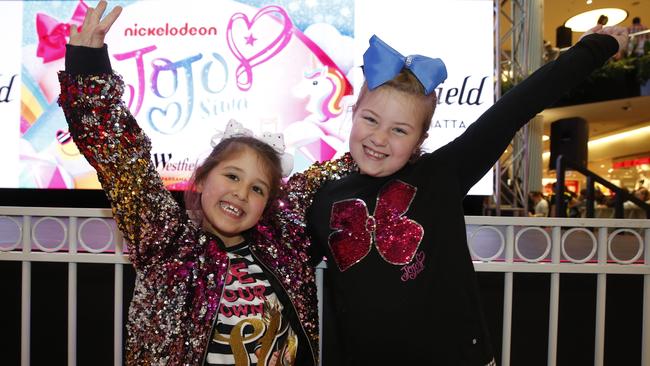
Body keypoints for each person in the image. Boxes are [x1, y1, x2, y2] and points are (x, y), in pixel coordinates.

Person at [305, 27, 627, 365]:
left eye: (399, 129)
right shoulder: (324, 199)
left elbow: (519, 105)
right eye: (371, 119)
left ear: (420, 138)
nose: (380, 138)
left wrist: (596, 46)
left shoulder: (442, 174)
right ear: (353, 113)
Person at [57, 2, 343, 365]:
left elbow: (331, 174)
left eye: (257, 189)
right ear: (204, 178)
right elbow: (120, 158)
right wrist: (87, 65)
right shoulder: (167, 241)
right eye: (232, 176)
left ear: (272, 203)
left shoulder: (286, 245)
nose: (241, 192)